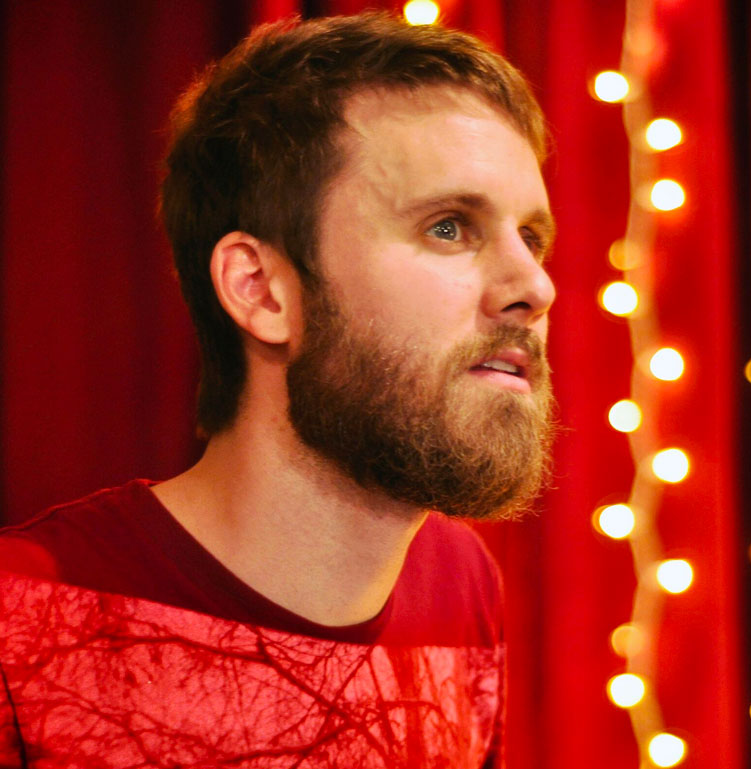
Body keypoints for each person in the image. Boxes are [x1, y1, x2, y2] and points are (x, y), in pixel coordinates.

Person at [0, 11, 556, 768]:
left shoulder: (462, 587)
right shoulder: (24, 618)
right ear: (260, 289)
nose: (535, 286)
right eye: (449, 227)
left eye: (531, 237)